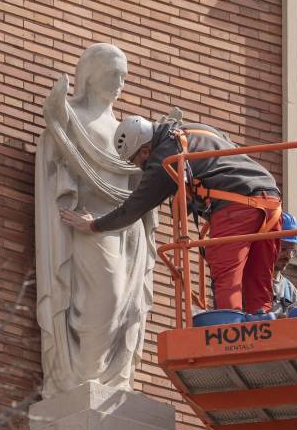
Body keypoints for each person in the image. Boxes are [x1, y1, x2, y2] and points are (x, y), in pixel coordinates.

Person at [62, 116, 281, 314]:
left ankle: (227, 332)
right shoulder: (194, 130)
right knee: (258, 278)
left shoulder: (164, 159)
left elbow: (134, 208)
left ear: (145, 151)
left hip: (237, 208)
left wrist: (94, 225)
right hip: (271, 200)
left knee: (226, 276)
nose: (140, 168)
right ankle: (261, 324)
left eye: (136, 162)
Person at [34, 43, 156, 397]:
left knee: (126, 307)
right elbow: (58, 163)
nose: (120, 82)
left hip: (127, 227)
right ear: (90, 76)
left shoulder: (125, 130)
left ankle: (111, 380)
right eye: (111, 74)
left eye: (123, 76)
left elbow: (136, 180)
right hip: (88, 224)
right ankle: (83, 377)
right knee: (107, 297)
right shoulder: (71, 120)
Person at [272, 211, 297, 316]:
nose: (288, 256)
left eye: (292, 251)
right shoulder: (250, 281)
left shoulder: (291, 292)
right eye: (284, 248)